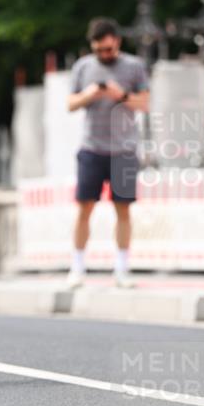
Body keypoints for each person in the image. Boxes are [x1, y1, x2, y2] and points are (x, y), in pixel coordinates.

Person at [67, 17, 149, 288]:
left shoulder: (134, 66)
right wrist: (90, 94)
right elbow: (70, 103)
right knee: (84, 208)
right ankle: (77, 267)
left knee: (123, 210)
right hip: (92, 148)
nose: (105, 55)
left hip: (123, 150)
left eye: (109, 50)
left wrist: (120, 95)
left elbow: (145, 103)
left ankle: (122, 269)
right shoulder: (83, 67)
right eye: (100, 50)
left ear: (118, 43)